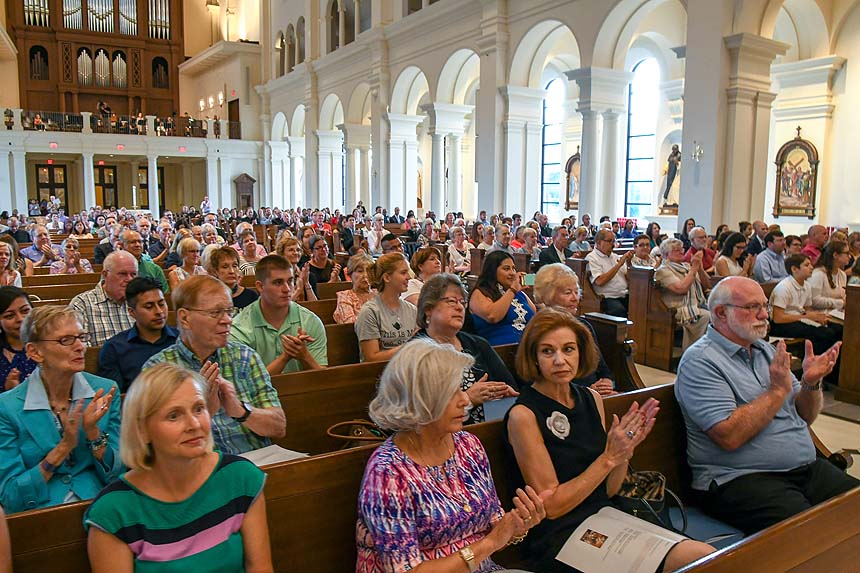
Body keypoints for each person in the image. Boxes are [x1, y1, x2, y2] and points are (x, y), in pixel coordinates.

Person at [505, 309, 714, 571]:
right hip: (561, 535)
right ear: (534, 357)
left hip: (605, 516)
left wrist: (624, 451)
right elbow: (552, 507)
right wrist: (608, 458)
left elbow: (610, 490)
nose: (560, 360)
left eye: (568, 349)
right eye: (548, 351)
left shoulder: (591, 399)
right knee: (692, 559)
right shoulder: (523, 415)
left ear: (581, 353)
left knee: (706, 557)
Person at [676, 276, 857, 534]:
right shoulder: (700, 362)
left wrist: (810, 383)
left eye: (765, 306)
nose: (764, 315)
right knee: (817, 535)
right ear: (721, 313)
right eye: (752, 307)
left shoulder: (765, 351)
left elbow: (805, 415)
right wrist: (777, 391)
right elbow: (729, 436)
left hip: (805, 468)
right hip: (741, 478)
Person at [356, 339, 547, 572]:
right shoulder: (388, 473)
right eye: (452, 393)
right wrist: (489, 543)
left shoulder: (469, 446)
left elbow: (494, 525)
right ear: (419, 402)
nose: (466, 400)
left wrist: (518, 524)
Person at [85, 363, 273, 573]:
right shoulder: (114, 511)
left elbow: (260, 568)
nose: (194, 424)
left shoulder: (240, 477)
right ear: (142, 430)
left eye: (199, 409)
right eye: (174, 415)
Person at [143, 275, 285, 455]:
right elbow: (154, 447)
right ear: (185, 318)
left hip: (258, 462)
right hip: (197, 470)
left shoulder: (244, 356)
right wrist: (204, 411)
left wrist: (240, 411)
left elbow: (279, 427)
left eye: (229, 311)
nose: (227, 320)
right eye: (215, 313)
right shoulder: (158, 370)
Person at [0, 306, 121, 513]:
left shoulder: (105, 391)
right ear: (34, 352)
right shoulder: (7, 407)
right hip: (39, 516)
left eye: (82, 337)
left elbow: (119, 477)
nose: (80, 347)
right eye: (66, 340)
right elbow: (11, 496)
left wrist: (94, 434)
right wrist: (63, 448)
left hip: (101, 507)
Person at [414, 274, 519, 424]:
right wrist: (468, 398)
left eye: (462, 302)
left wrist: (500, 391)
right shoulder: (415, 353)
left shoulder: (477, 344)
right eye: (451, 301)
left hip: (492, 428)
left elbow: (510, 386)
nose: (459, 307)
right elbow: (421, 417)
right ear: (428, 309)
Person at [230, 256, 327, 375]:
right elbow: (246, 385)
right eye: (278, 282)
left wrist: (304, 356)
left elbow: (323, 379)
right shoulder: (240, 328)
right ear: (260, 286)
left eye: (290, 281)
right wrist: (285, 357)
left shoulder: (310, 320)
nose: (287, 289)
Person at [533, 264, 616, 396]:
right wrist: (587, 391)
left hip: (595, 394)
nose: (574, 298)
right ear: (548, 296)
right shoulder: (537, 330)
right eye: (568, 293)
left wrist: (608, 381)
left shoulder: (584, 326)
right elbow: (542, 380)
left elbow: (601, 367)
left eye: (576, 292)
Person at [97, 278, 178, 392]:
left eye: (161, 304)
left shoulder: (181, 339)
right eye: (149, 306)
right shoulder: (114, 348)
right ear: (132, 312)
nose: (159, 311)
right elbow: (114, 397)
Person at [355, 253, 417, 362]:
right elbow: (372, 358)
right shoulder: (370, 312)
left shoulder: (412, 310)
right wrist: (408, 347)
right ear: (387, 277)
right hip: (380, 373)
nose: (409, 277)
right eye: (403, 273)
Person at [70, 251, 138, 346]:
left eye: (133, 274)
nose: (129, 279)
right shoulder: (82, 303)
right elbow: (81, 347)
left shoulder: (138, 301)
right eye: (122, 274)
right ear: (105, 275)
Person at [469, 250, 536, 345]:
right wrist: (512, 290)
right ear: (492, 271)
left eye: (513, 268)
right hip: (499, 350)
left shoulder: (518, 292)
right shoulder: (480, 292)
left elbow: (534, 316)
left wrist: (534, 284)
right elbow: (493, 316)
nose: (512, 273)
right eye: (506, 269)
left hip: (527, 344)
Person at [656, 238, 711, 350]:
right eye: (676, 250)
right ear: (666, 254)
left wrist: (699, 268)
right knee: (709, 317)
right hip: (679, 308)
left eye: (682, 249)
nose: (681, 251)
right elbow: (681, 289)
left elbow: (707, 286)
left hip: (697, 303)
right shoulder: (663, 270)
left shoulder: (686, 266)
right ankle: (697, 352)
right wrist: (694, 269)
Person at [585, 229, 633, 317]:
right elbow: (600, 281)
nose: (613, 244)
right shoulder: (592, 258)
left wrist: (629, 263)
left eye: (614, 241)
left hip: (624, 294)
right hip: (608, 297)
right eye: (609, 241)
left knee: (640, 305)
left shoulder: (615, 256)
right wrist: (619, 265)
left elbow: (629, 278)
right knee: (620, 311)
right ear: (599, 242)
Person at [0, 287, 36, 393]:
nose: (20, 319)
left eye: (25, 311)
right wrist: (9, 392)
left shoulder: (50, 343)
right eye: (9, 316)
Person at [120, 229, 170, 294]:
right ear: (122, 245)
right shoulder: (113, 267)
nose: (137, 245)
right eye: (132, 242)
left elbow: (165, 294)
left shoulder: (154, 269)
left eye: (140, 242)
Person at [333, 255, 376, 324]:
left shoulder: (379, 294)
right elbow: (350, 323)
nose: (365, 275)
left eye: (369, 271)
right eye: (360, 271)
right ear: (350, 275)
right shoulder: (345, 296)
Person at [807, 241, 849, 311]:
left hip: (837, 313)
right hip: (821, 315)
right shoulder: (818, 274)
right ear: (835, 255)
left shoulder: (842, 274)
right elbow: (814, 300)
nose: (849, 256)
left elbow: (842, 296)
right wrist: (840, 303)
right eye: (847, 253)